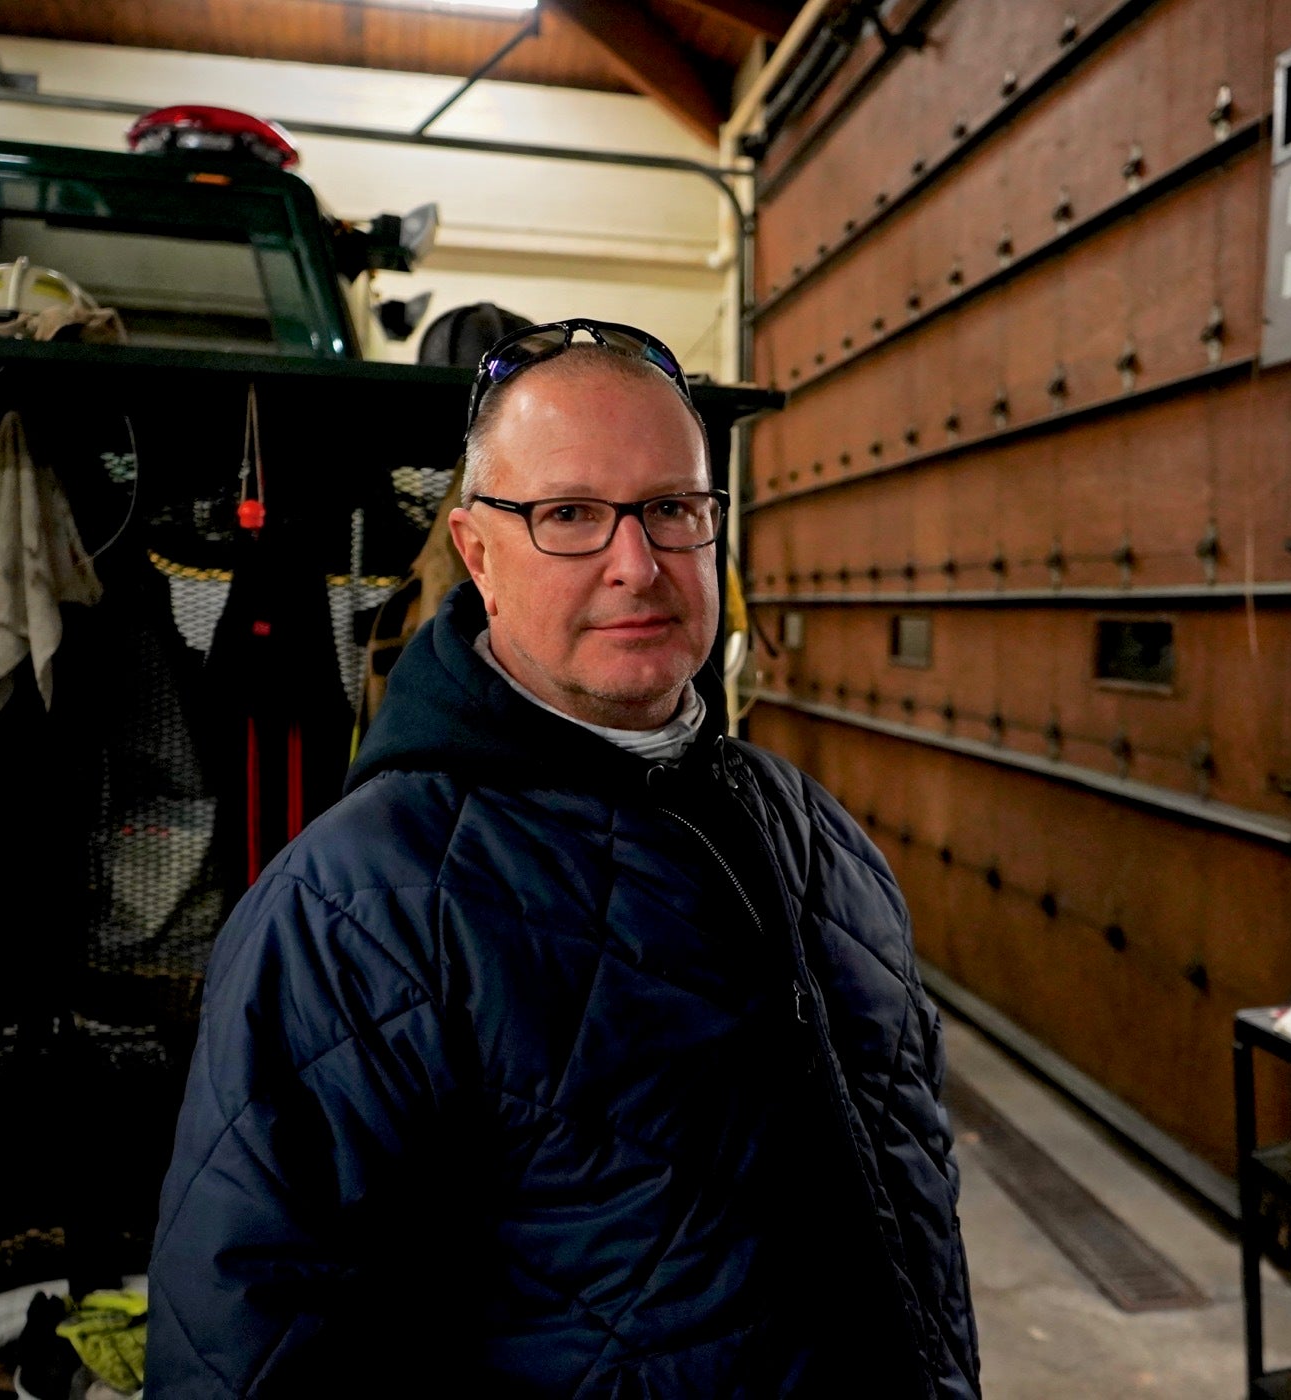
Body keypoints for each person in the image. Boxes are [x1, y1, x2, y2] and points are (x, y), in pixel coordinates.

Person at [147, 319, 980, 1397]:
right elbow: (244, 1354)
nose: (637, 563)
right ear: (479, 552)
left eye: (673, 508)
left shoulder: (814, 833)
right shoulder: (357, 911)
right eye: (571, 514)